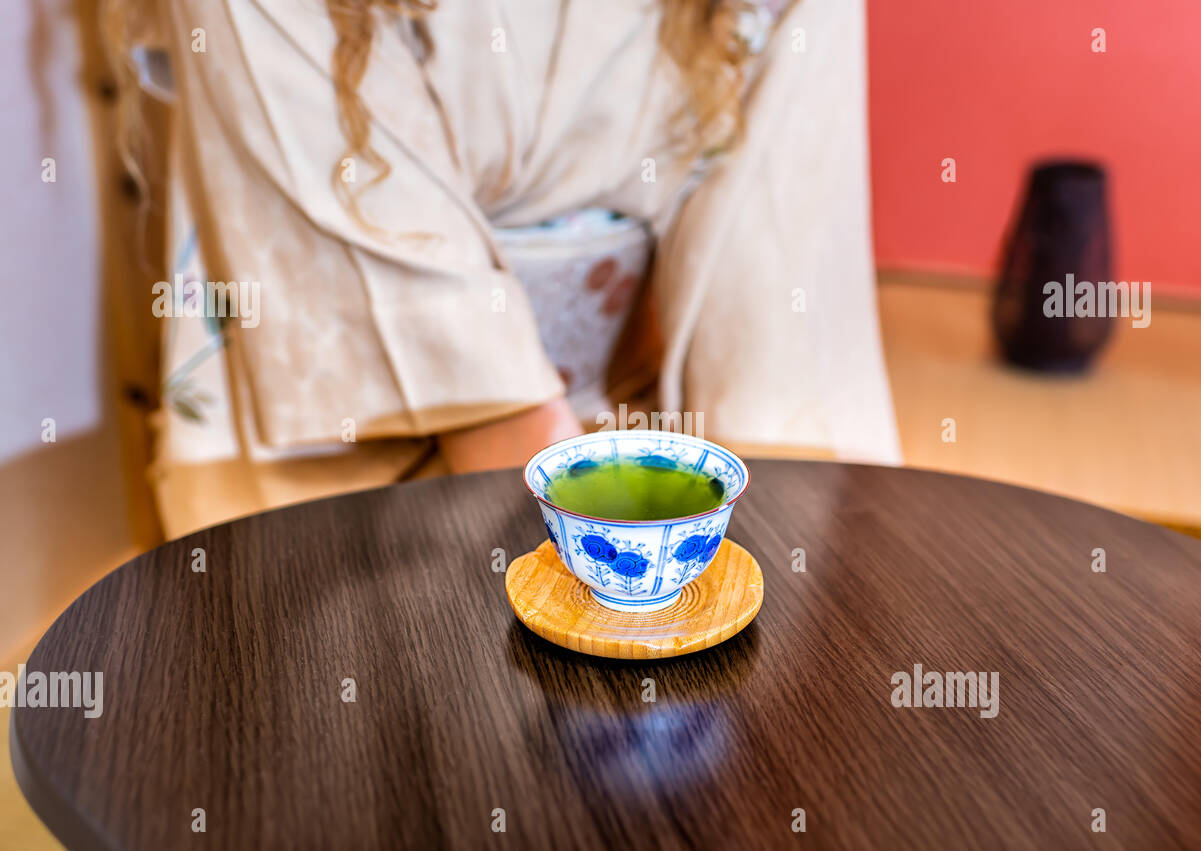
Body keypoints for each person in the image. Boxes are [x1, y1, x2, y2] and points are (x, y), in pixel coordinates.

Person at [105, 0, 900, 537]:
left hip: (616, 432)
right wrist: (576, 521)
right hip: (331, 454)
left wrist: (741, 522)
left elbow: (771, 262)